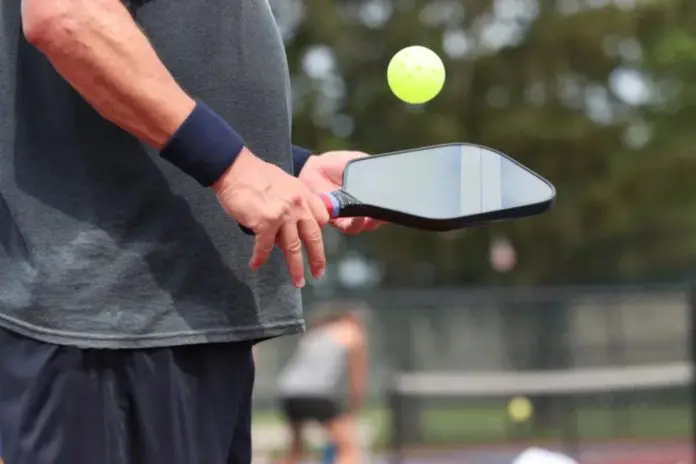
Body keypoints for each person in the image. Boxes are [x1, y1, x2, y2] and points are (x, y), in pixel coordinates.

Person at [0, 1, 382, 463]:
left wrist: (287, 167)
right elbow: (67, 16)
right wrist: (231, 167)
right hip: (114, 326)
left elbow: (175, 69)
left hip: (179, 318)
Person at [277, 304, 369, 464]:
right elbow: (356, 378)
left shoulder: (319, 331)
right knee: (347, 449)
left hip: (288, 392)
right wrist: (354, 406)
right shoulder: (353, 333)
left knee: (295, 451)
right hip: (315, 393)